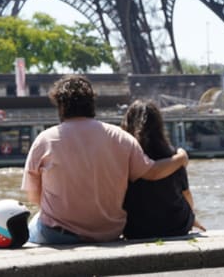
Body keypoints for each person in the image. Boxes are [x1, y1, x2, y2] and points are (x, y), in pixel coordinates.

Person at [22, 75, 189, 244]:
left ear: (61, 106)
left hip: (59, 234)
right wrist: (180, 158)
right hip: (108, 233)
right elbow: (152, 172)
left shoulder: (45, 140)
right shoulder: (121, 137)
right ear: (92, 103)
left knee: (30, 226)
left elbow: (34, 196)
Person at [120, 99, 206, 239]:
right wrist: (190, 218)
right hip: (176, 225)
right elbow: (186, 194)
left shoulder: (126, 157)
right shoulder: (173, 157)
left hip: (136, 228)